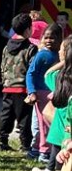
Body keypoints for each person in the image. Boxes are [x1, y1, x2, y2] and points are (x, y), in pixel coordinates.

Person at [32, 35, 72, 171]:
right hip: (68, 135)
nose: (59, 52)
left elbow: (47, 74)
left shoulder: (60, 77)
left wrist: (62, 62)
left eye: (62, 50)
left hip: (58, 134)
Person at [0, 13, 38, 151]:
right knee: (24, 118)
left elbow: (2, 66)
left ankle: (2, 141)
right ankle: (25, 145)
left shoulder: (6, 47)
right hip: (22, 88)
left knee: (6, 115)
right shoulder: (31, 48)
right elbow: (33, 68)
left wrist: (5, 81)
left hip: (7, 87)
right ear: (28, 30)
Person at [26, 23, 62, 162]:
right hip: (41, 93)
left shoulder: (59, 55)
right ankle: (44, 152)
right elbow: (30, 74)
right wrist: (32, 92)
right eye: (46, 37)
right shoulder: (42, 55)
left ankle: (35, 149)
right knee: (45, 123)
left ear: (60, 39)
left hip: (54, 92)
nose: (48, 41)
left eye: (52, 38)